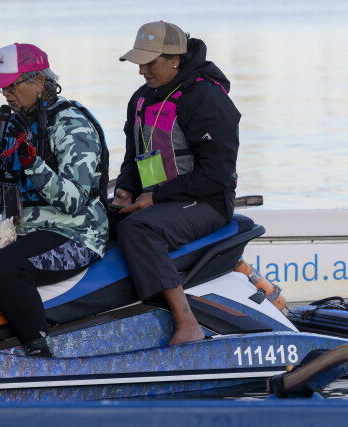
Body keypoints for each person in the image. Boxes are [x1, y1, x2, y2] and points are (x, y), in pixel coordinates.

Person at [112, 21, 241, 345]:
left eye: (149, 62)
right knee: (102, 220)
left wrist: (156, 198)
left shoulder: (206, 97)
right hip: (161, 198)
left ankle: (187, 324)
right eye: (139, 62)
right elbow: (132, 157)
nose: (142, 70)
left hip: (208, 201)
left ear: (175, 59)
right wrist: (125, 190)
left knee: (138, 229)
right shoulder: (141, 99)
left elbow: (216, 175)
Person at [0, 43, 108, 357]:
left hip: (77, 235)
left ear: (39, 82)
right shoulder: (16, 124)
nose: (6, 94)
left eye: (12, 85)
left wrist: (32, 163)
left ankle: (39, 353)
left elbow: (75, 201)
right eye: (2, 88)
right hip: (27, 231)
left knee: (4, 268)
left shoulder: (72, 125)